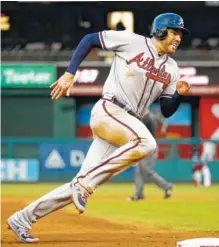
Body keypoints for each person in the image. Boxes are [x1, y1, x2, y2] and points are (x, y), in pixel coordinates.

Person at [8, 13, 190, 243]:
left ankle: (22, 218)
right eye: (175, 32)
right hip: (110, 110)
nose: (178, 38)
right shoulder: (132, 41)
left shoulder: (172, 69)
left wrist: (178, 95)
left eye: (181, 34)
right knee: (147, 143)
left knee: (79, 184)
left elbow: (166, 109)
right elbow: (90, 39)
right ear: (161, 31)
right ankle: (85, 185)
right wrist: (69, 73)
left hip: (127, 124)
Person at [128, 108, 173, 201]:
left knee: (147, 171)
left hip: (149, 147)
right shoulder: (148, 117)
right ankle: (139, 194)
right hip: (146, 147)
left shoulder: (147, 118)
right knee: (139, 171)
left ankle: (167, 186)